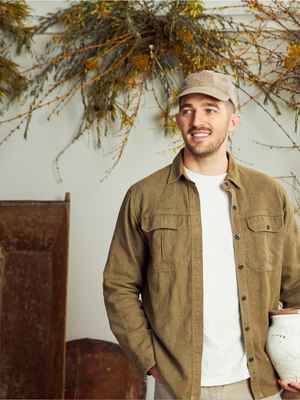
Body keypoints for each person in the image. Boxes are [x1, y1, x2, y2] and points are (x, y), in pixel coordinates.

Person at [103, 70, 300, 400]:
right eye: (187, 109)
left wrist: (294, 363)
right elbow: (118, 284)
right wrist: (150, 361)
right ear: (178, 120)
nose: (197, 120)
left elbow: (295, 287)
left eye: (211, 109)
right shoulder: (144, 195)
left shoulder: (269, 193)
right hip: (178, 383)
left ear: (233, 120)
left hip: (257, 384)